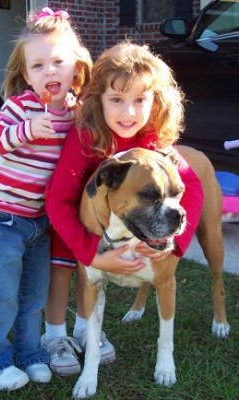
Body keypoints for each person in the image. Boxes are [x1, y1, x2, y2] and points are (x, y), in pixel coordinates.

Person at [44, 41, 204, 376]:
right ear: (98, 99)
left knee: (94, 277)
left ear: (155, 101)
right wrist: (93, 254)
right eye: (116, 100)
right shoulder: (87, 136)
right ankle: (55, 334)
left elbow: (193, 191)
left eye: (140, 100)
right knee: (63, 263)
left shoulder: (157, 145)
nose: (128, 113)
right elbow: (59, 198)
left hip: (123, 224)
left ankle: (87, 331)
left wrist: (176, 246)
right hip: (78, 220)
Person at [0, 7, 92, 391]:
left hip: (39, 223)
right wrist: (23, 131)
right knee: (2, 296)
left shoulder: (77, 114)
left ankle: (30, 354)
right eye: (38, 65)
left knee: (34, 297)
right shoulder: (20, 107)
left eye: (59, 61)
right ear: (26, 75)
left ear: (76, 67)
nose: (50, 72)